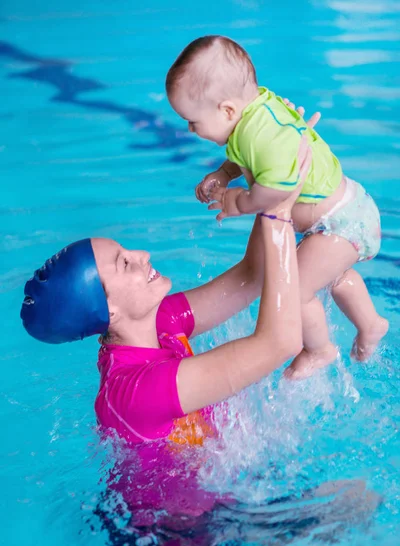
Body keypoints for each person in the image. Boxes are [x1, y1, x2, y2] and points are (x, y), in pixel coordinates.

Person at [21, 135, 314, 446]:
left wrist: (270, 176)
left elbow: (252, 276)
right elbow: (279, 343)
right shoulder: (135, 392)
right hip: (188, 497)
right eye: (124, 263)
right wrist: (278, 213)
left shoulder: (159, 320)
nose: (143, 255)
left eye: (126, 251)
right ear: (110, 310)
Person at [166, 35, 389, 380]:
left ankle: (319, 349)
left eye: (193, 121)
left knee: (295, 290)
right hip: (342, 216)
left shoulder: (260, 134)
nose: (190, 129)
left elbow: (276, 189)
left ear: (227, 110)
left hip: (341, 224)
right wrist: (223, 174)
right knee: (335, 277)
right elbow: (244, 159)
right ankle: (371, 324)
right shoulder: (251, 116)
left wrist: (238, 202)